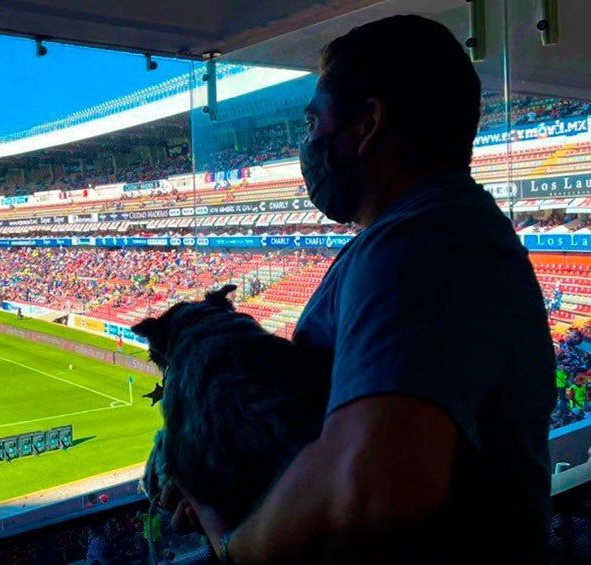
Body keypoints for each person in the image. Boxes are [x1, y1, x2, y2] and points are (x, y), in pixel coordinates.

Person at [170, 15, 555, 564]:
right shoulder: (437, 231)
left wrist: (234, 543)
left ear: (368, 123)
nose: (307, 144)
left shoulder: (418, 244)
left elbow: (376, 485)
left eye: (313, 123)